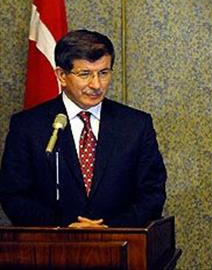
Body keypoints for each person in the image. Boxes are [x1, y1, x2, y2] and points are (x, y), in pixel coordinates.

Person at [0, 30, 166, 228]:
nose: (96, 84)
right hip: (52, 243)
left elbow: (152, 194)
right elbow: (14, 196)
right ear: (62, 75)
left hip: (121, 241)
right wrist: (66, 230)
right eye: (85, 74)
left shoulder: (136, 125)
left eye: (103, 73)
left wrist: (107, 229)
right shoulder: (28, 126)